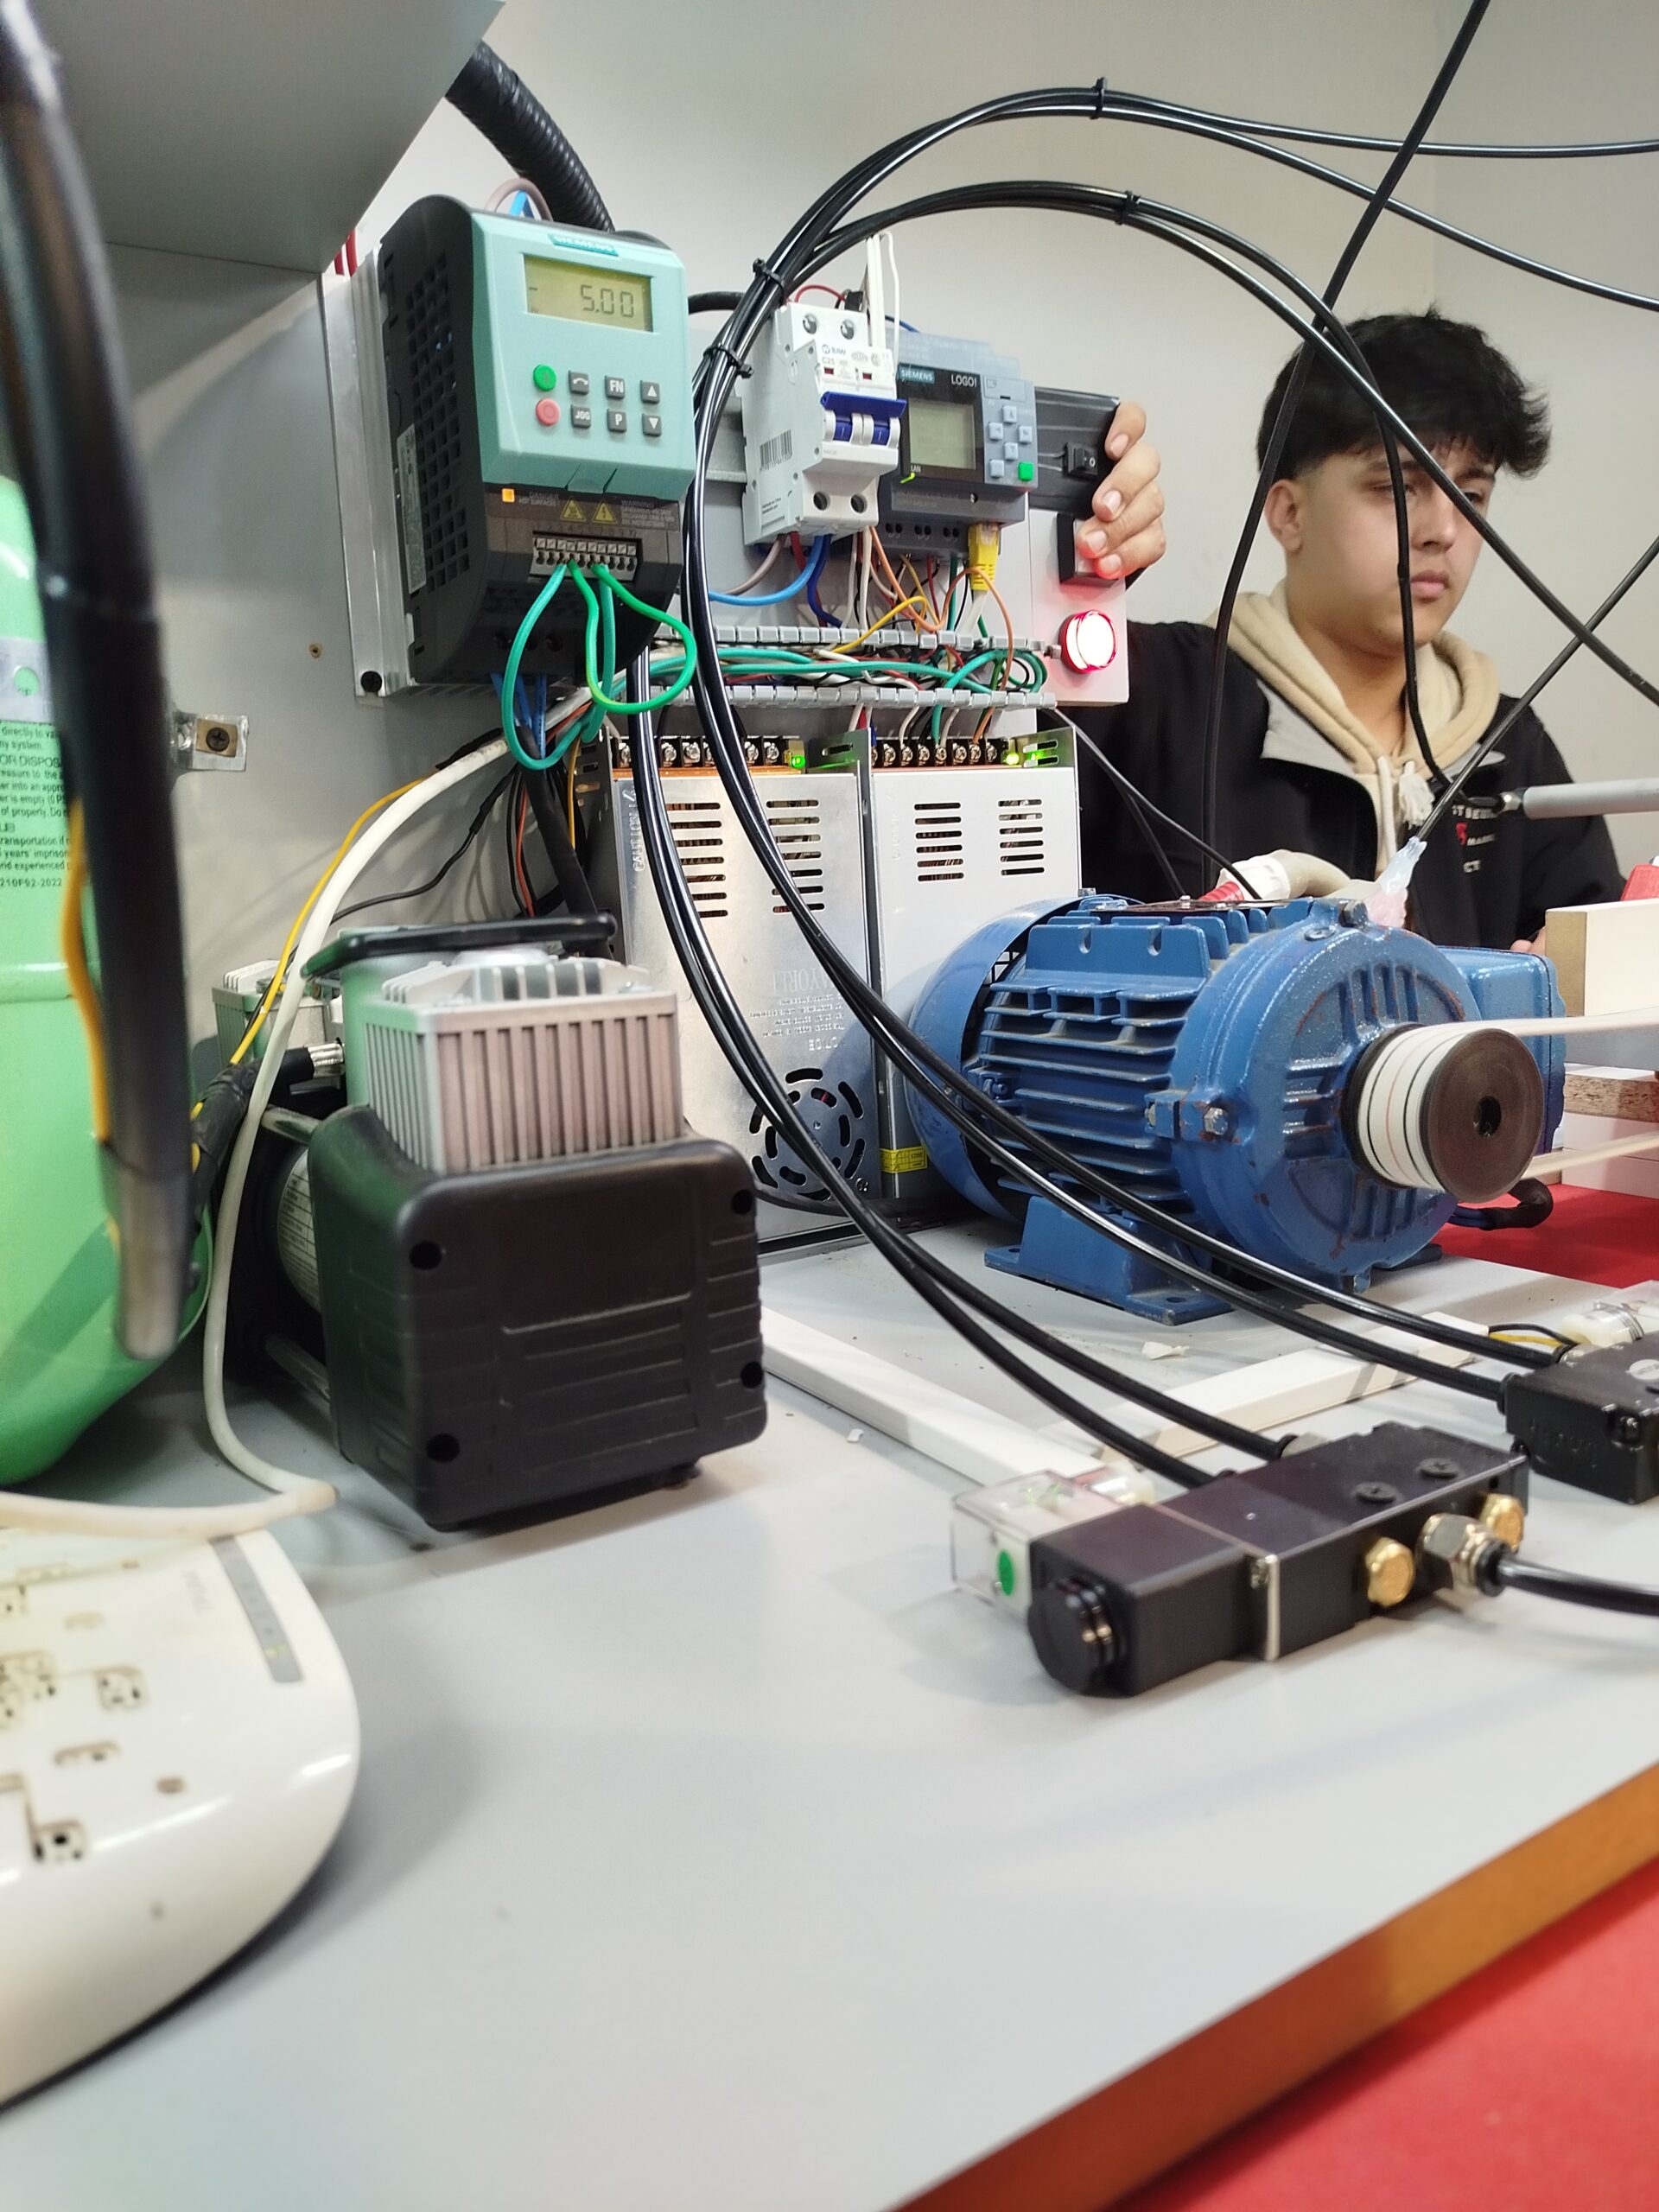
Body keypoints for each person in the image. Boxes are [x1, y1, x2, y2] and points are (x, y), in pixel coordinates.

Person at [1071, 311, 1622, 948]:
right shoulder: (1150, 697)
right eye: (1398, 489)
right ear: (1288, 514)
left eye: (1471, 497)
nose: (1443, 531)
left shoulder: (1509, 749)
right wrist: (1072, 576)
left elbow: (1604, 967)